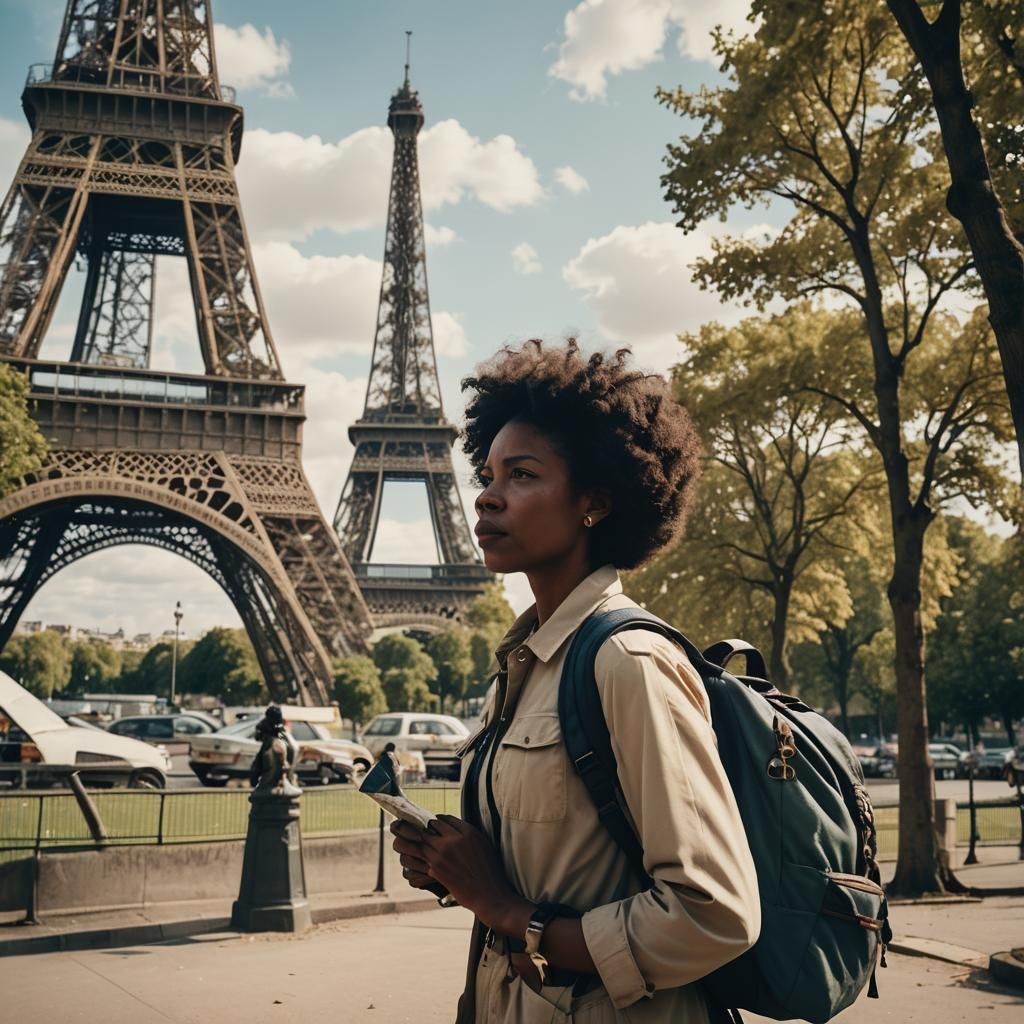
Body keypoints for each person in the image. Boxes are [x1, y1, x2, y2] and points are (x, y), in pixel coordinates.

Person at [391, 340, 760, 1023]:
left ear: (593, 501)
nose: (488, 496)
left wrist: (508, 910)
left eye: (522, 475)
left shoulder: (630, 664)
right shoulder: (524, 667)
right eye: (489, 473)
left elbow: (717, 914)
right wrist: (456, 871)